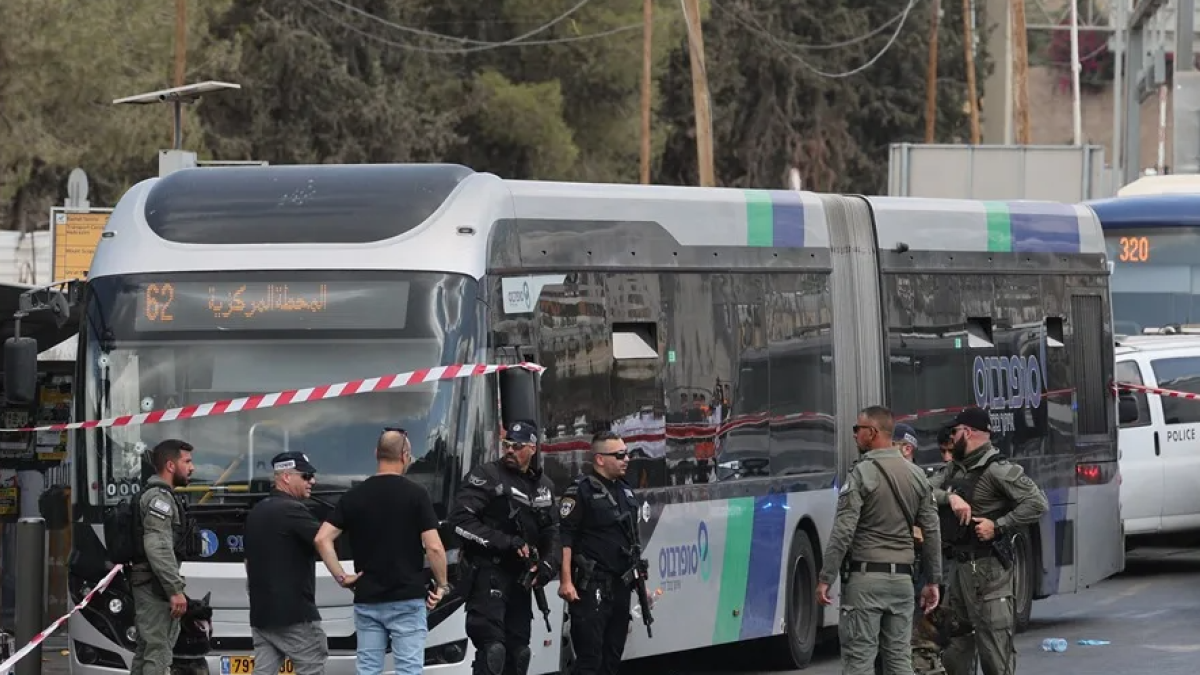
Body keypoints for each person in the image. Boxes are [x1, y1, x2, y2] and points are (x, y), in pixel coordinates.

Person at [817, 406, 942, 675]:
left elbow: (843, 532)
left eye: (857, 430)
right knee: (899, 660)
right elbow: (931, 531)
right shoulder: (916, 475)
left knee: (859, 661)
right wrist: (933, 580)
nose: (854, 435)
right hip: (902, 583)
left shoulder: (862, 474)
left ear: (872, 433)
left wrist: (826, 577)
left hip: (865, 583)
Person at [315, 428, 450, 675]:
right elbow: (434, 546)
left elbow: (323, 539)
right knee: (408, 669)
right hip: (407, 599)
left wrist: (342, 578)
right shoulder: (416, 494)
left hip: (367, 599)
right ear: (405, 455)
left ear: (376, 453)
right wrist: (441, 585)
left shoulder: (354, 496)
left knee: (368, 669)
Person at [932, 409, 1048, 675]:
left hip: (990, 573)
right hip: (959, 572)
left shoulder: (998, 469)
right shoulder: (954, 468)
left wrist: (998, 526)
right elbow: (922, 489)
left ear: (968, 432)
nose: (951, 438)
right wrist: (949, 498)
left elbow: (1037, 503)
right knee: (954, 655)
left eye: (954, 432)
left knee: (995, 655)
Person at [447, 421, 561, 675]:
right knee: (493, 651)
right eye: (507, 445)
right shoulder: (486, 475)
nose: (510, 450)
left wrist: (547, 565)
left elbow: (553, 532)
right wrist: (507, 542)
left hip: (522, 579)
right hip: (489, 574)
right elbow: (459, 521)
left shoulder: (545, 486)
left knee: (519, 653)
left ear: (532, 448)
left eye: (517, 446)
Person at [558, 431, 639, 675]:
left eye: (627, 454)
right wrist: (566, 581)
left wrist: (639, 580)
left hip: (621, 585)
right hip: (592, 587)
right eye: (620, 455)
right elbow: (565, 538)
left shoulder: (625, 491)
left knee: (612, 658)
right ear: (600, 459)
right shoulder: (579, 491)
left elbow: (632, 537)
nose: (626, 459)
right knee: (589, 660)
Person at [244, 452, 328, 675]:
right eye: (307, 476)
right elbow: (325, 541)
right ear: (287, 477)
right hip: (294, 614)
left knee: (264, 671)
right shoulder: (293, 510)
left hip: (261, 614)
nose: (313, 481)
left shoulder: (256, 511)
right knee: (312, 666)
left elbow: (248, 561)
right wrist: (343, 576)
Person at [130, 439, 196, 675]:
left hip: (151, 583)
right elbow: (158, 545)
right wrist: (174, 589)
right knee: (158, 653)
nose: (192, 468)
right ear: (170, 465)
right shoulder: (160, 498)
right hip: (155, 586)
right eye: (186, 461)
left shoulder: (160, 495)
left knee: (146, 651)